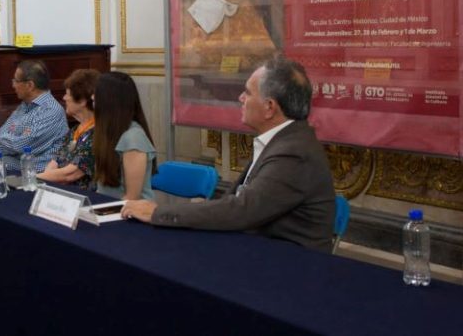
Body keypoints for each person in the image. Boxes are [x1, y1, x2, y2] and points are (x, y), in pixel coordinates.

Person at [122, 55, 336, 253]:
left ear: (269, 107)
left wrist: (157, 213)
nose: (241, 98)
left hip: (291, 265)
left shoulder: (294, 153)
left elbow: (242, 210)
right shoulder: (284, 140)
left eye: (248, 93)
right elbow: (237, 203)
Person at [0, 60, 68, 172]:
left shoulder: (51, 111)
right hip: (15, 169)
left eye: (16, 81)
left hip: (39, 175)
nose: (13, 85)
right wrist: (10, 141)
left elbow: (20, 145)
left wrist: (6, 140)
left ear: (30, 85)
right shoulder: (23, 106)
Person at [93, 72, 157, 200]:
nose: (92, 97)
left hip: (129, 209)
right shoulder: (108, 132)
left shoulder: (133, 139)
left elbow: (132, 198)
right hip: (108, 205)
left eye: (97, 94)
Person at [38, 68, 100, 189]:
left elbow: (70, 174)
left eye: (67, 94)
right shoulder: (74, 130)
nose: (64, 98)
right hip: (61, 191)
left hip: (84, 197)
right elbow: (55, 162)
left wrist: (32, 179)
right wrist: (47, 178)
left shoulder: (98, 134)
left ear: (82, 101)